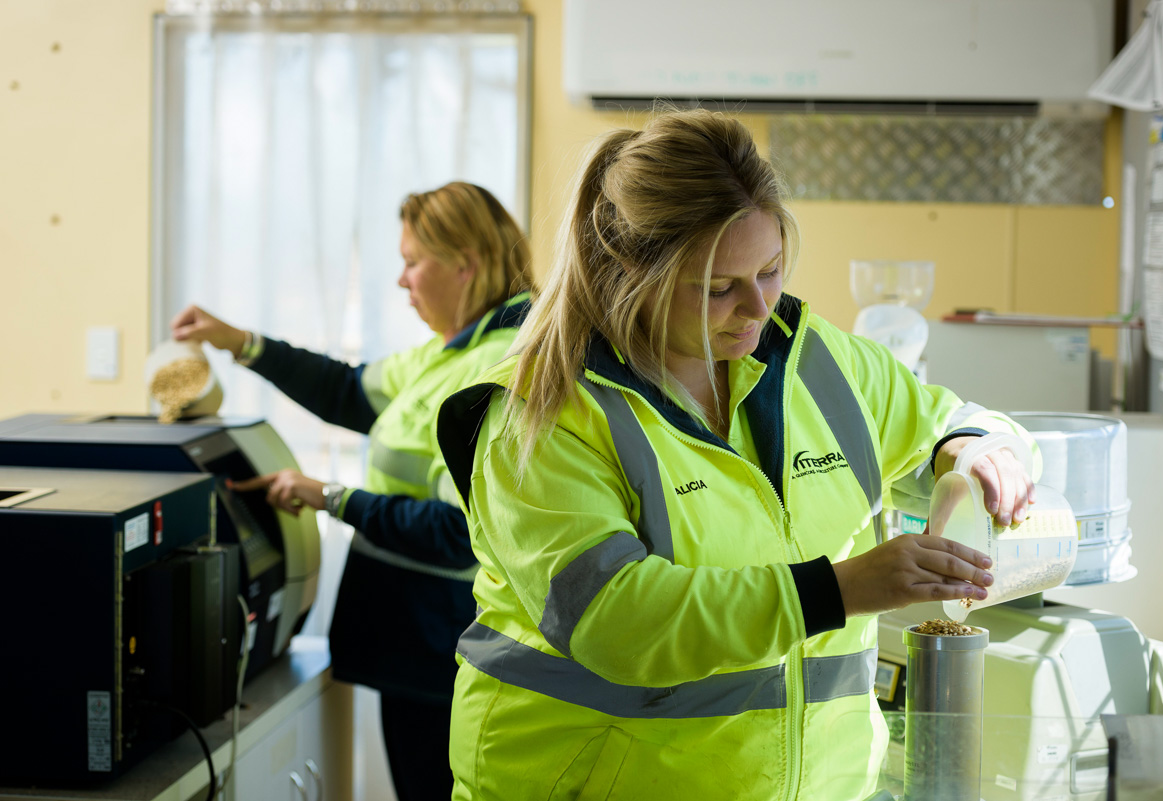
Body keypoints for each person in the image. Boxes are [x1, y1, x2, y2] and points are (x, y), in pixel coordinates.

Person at [435, 111, 1038, 801]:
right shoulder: (541, 415)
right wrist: (840, 591)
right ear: (630, 269)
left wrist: (978, 449)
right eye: (719, 287)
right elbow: (616, 622)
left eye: (771, 270)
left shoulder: (816, 361)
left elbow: (948, 421)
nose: (757, 307)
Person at [171, 181, 532, 801]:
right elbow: (346, 390)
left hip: (440, 642)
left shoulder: (491, 367)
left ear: (465, 264)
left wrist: (331, 497)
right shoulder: (451, 352)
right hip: (414, 639)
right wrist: (241, 344)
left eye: (412, 262)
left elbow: (458, 532)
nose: (401, 280)